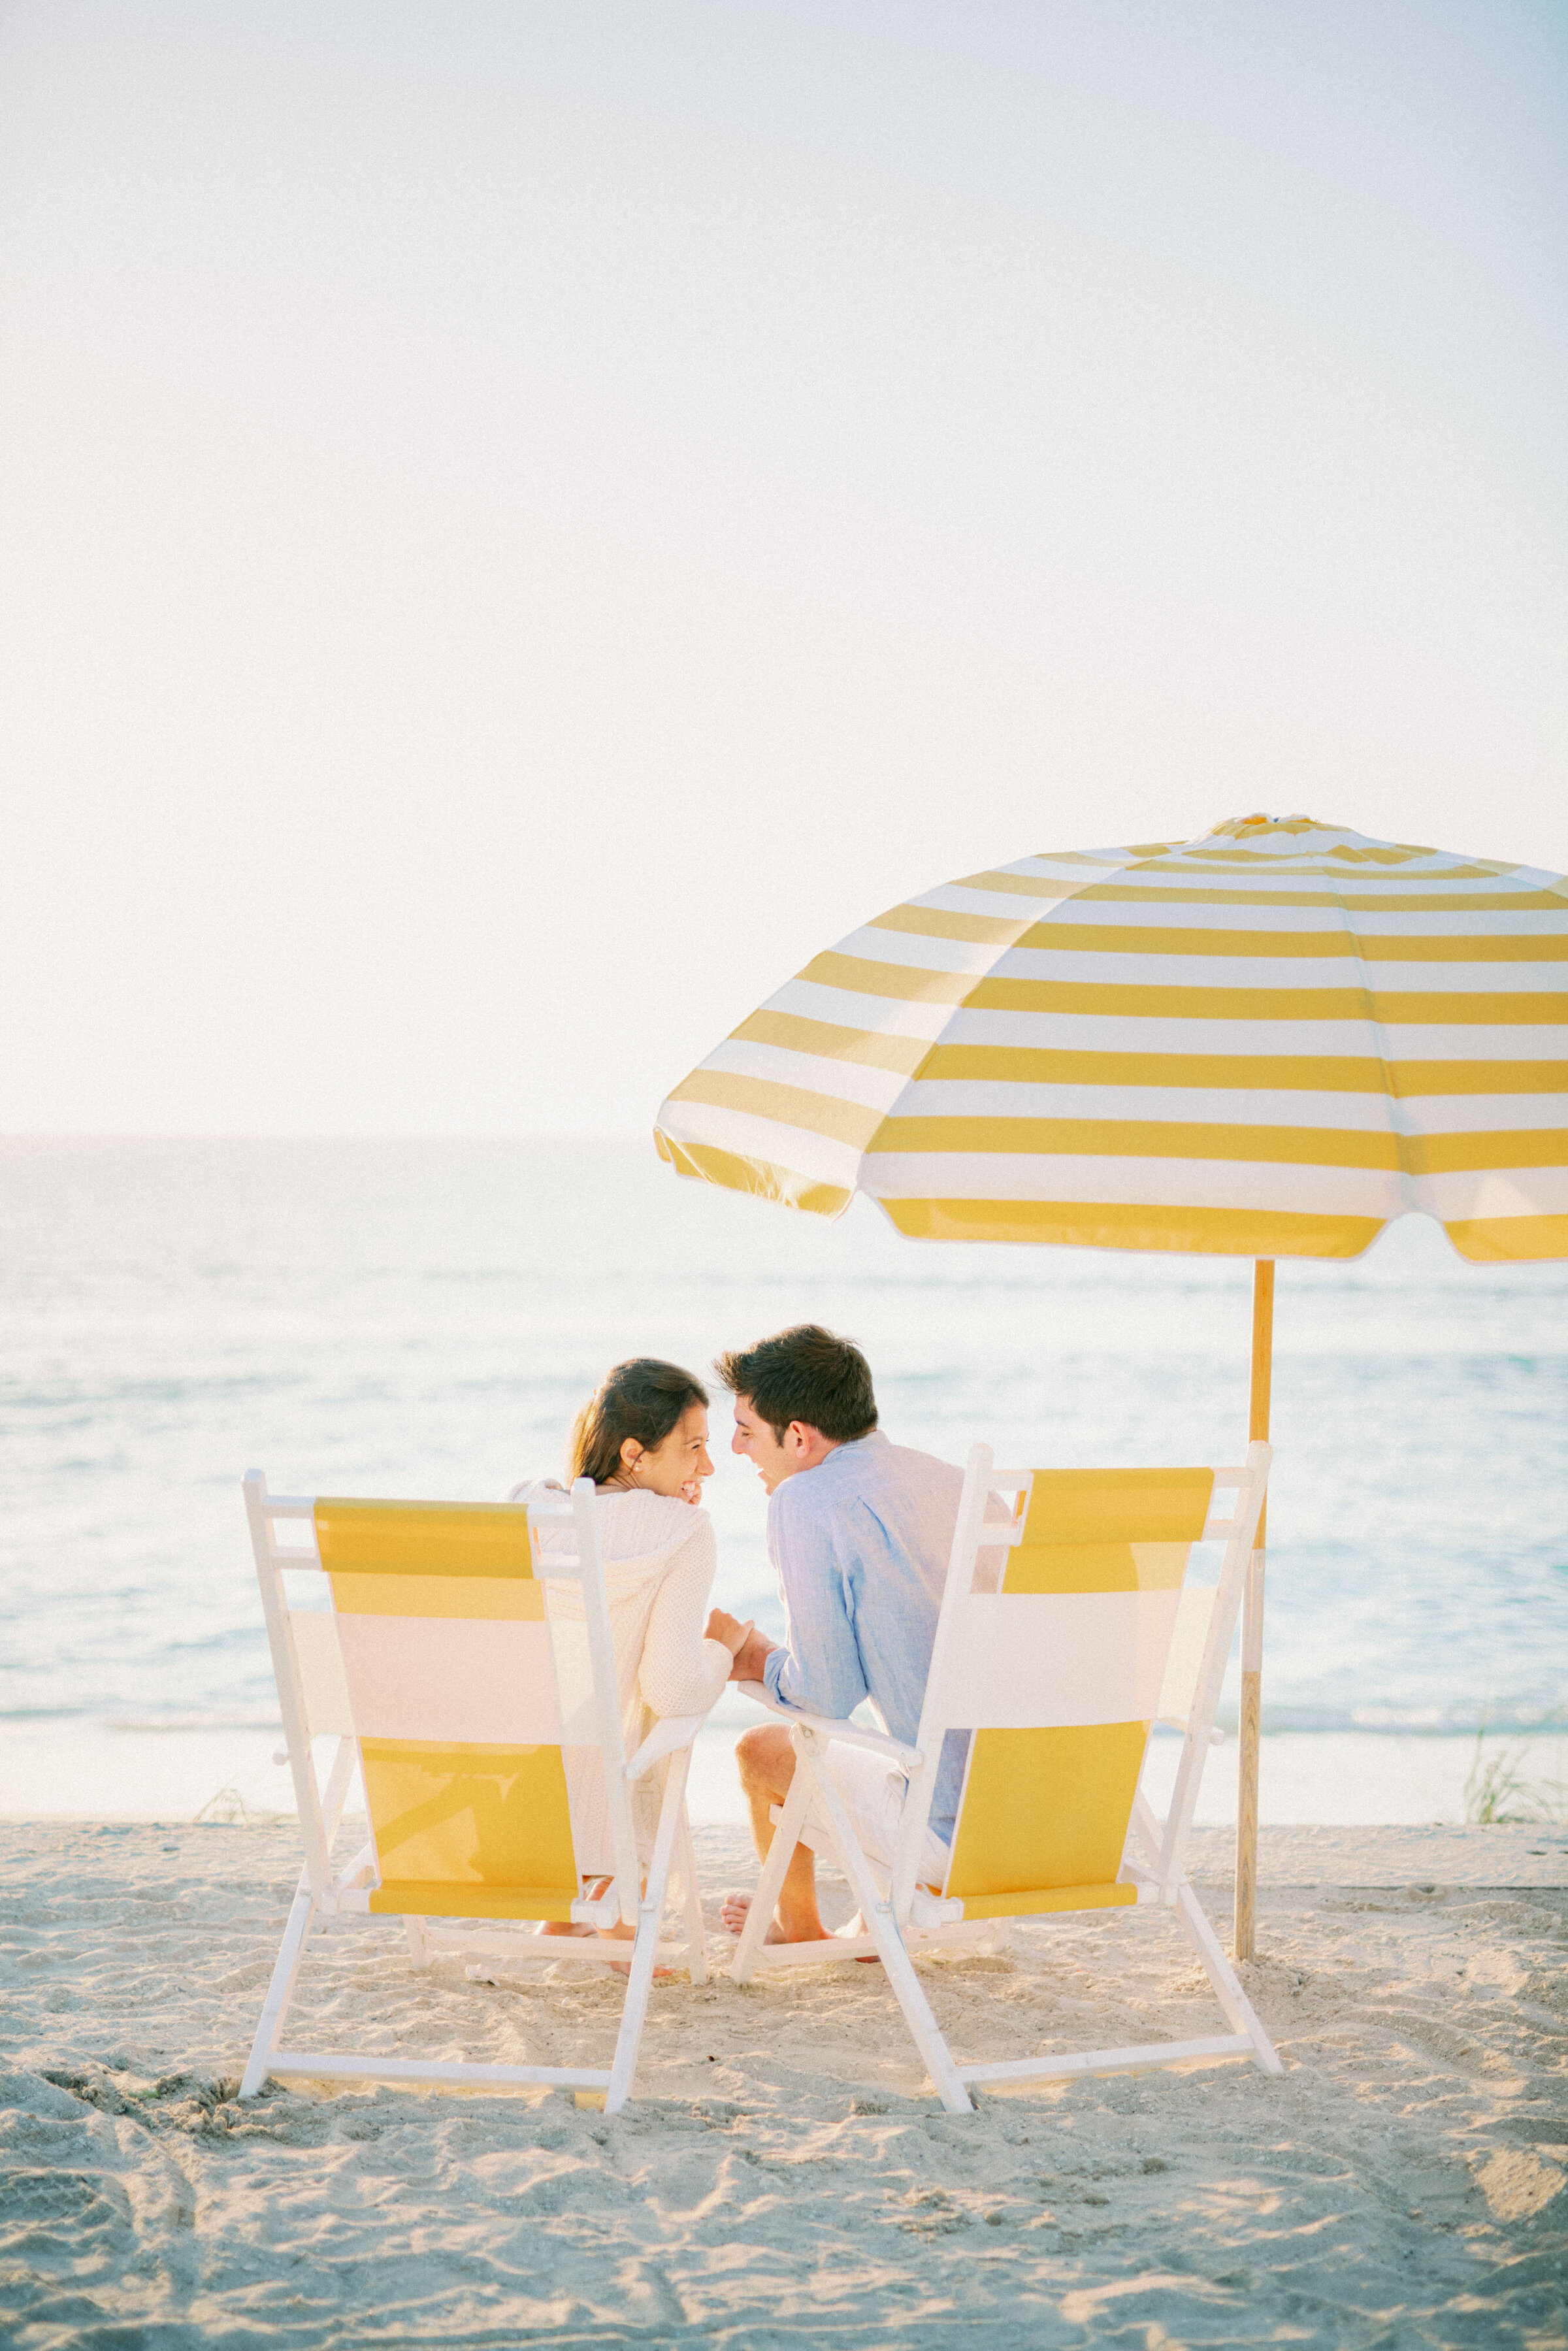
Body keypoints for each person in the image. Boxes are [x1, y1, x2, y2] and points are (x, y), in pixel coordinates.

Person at [703, 1324, 967, 1948]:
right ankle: (883, 1922)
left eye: (745, 1430)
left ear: (797, 1437)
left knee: (763, 1750)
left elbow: (825, 1697)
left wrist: (755, 1658)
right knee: (904, 1755)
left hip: (959, 1838)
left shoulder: (807, 1499)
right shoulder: (959, 1486)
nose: (736, 1449)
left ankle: (800, 1931)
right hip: (1068, 1820)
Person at [508, 1357, 752, 1958]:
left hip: (506, 1802)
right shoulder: (684, 1530)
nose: (709, 1467)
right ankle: (614, 1915)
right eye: (693, 1447)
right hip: (601, 1824)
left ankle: (568, 1920)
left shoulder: (528, 1509)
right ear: (634, 1454)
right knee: (644, 1734)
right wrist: (720, 1651)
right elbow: (671, 1690)